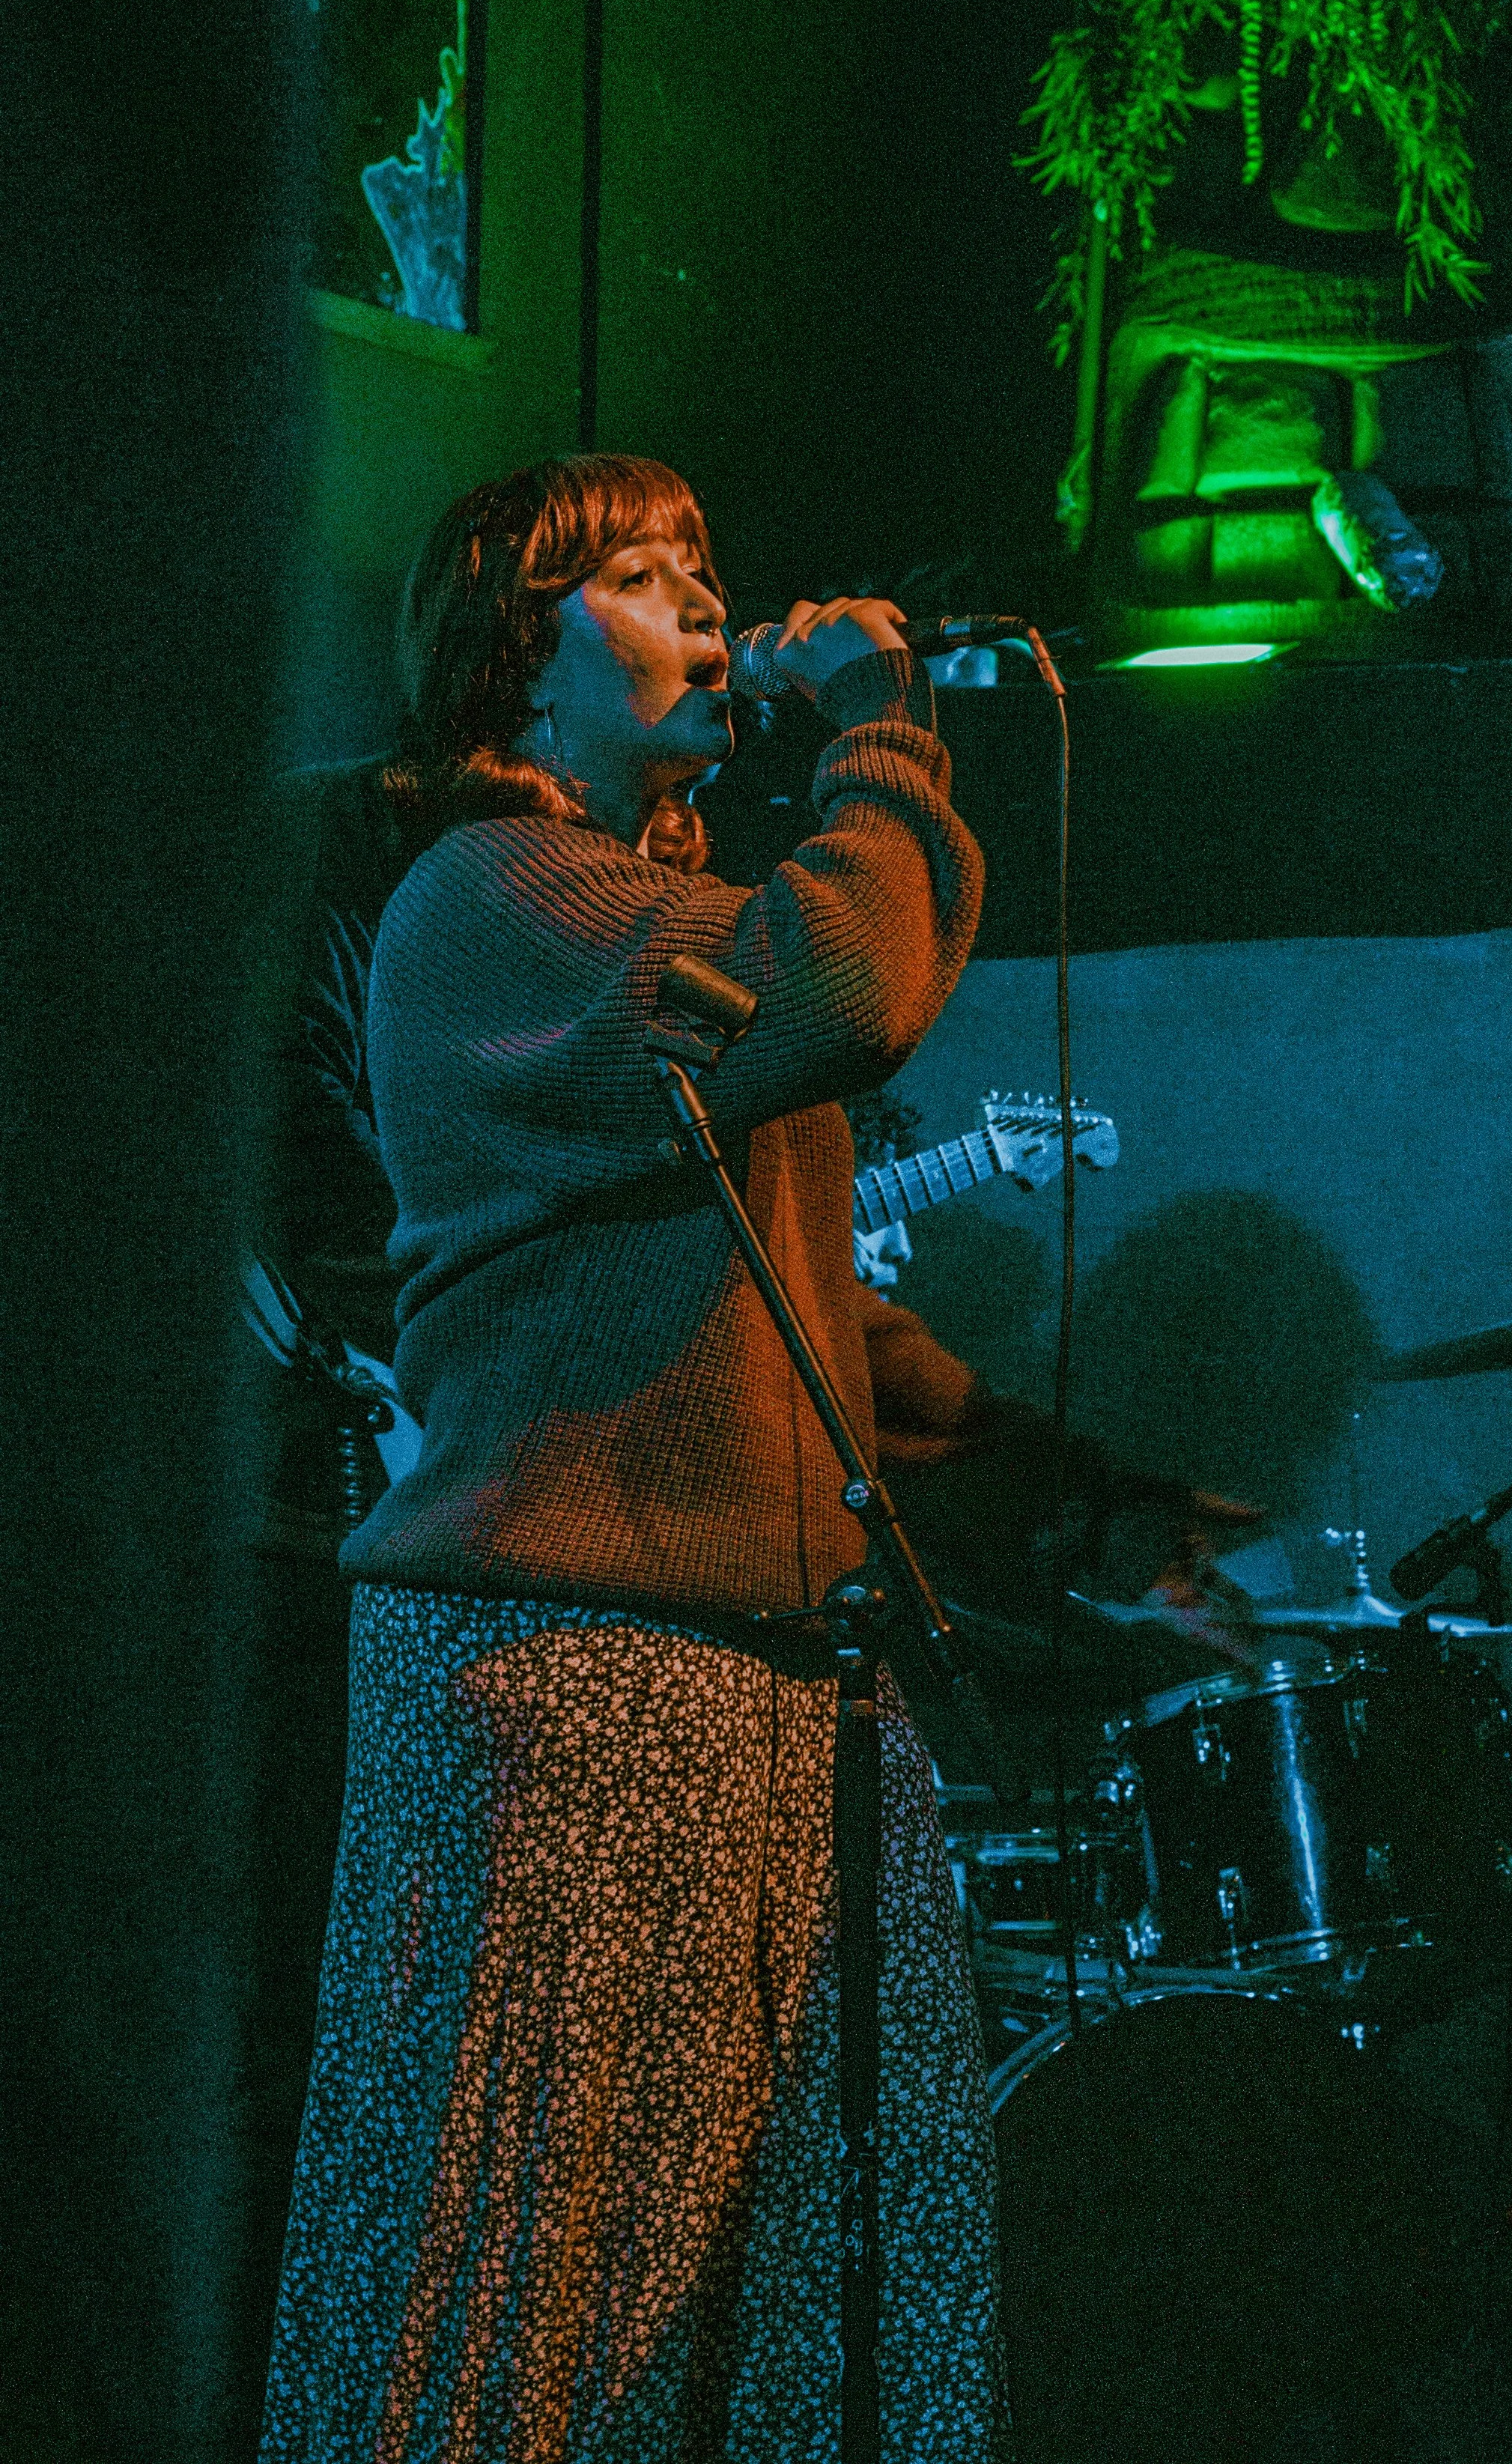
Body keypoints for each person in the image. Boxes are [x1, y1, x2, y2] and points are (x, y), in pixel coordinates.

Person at [260, 453, 1018, 2462]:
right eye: (641, 572)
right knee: (533, 2316)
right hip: (574, 1686)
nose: (702, 597)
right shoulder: (490, 900)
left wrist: (1082, 1495)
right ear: (519, 661)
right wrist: (880, 724)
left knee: (814, 2315)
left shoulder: (667, 924)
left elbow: (814, 1317)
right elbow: (850, 978)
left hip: (776, 1692)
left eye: (705, 562)